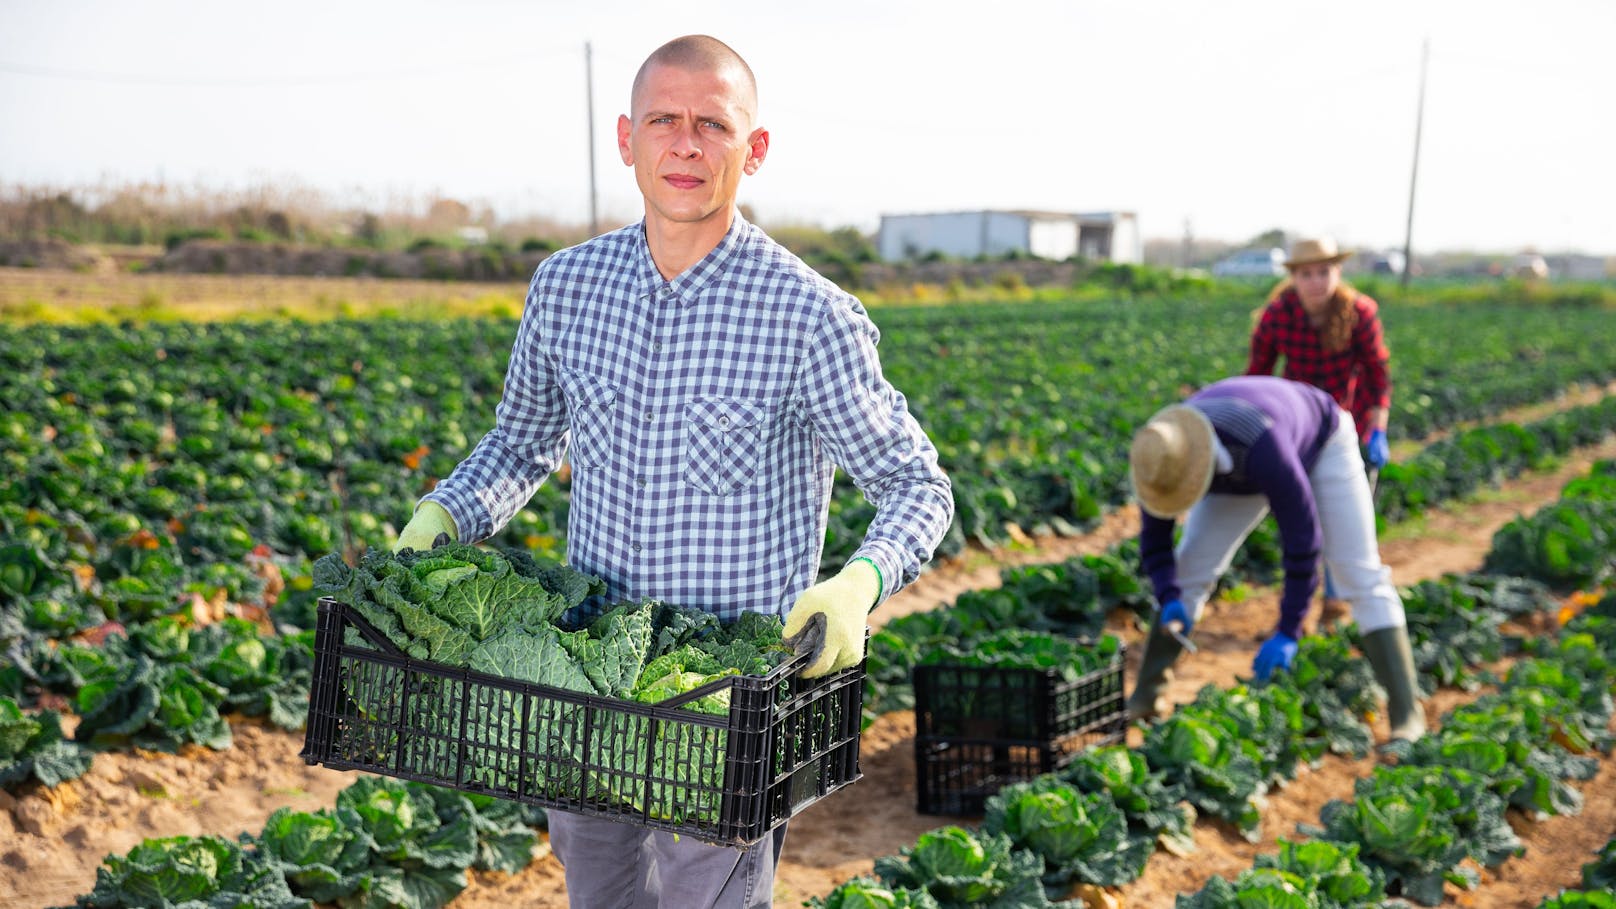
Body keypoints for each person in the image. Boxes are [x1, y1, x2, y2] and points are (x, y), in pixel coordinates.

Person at [393, 34, 953, 908]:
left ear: (752, 150)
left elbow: (917, 484)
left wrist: (859, 582)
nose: (685, 144)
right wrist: (447, 513)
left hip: (727, 705)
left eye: (712, 124)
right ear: (627, 138)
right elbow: (519, 443)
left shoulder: (809, 315)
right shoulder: (567, 287)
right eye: (663, 120)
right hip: (588, 682)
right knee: (601, 895)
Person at [1123, 375, 1425, 746]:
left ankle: (1407, 715)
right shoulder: (1164, 453)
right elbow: (1155, 541)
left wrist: (1288, 630)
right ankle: (1146, 697)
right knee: (1189, 569)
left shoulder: (1265, 450)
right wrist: (1170, 596)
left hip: (1319, 437)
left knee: (1357, 571)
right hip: (1237, 453)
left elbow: (1302, 540)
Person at [1247, 236, 1392, 620]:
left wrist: (1379, 429)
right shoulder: (1277, 316)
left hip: (1347, 423)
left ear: (1337, 272)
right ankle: (1300, 602)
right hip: (1296, 425)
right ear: (1294, 277)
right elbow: (1258, 376)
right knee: (1301, 511)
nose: (1316, 282)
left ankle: (1334, 598)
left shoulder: (1359, 312)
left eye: (1324, 272)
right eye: (1307, 274)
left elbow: (1377, 375)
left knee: (1341, 511)